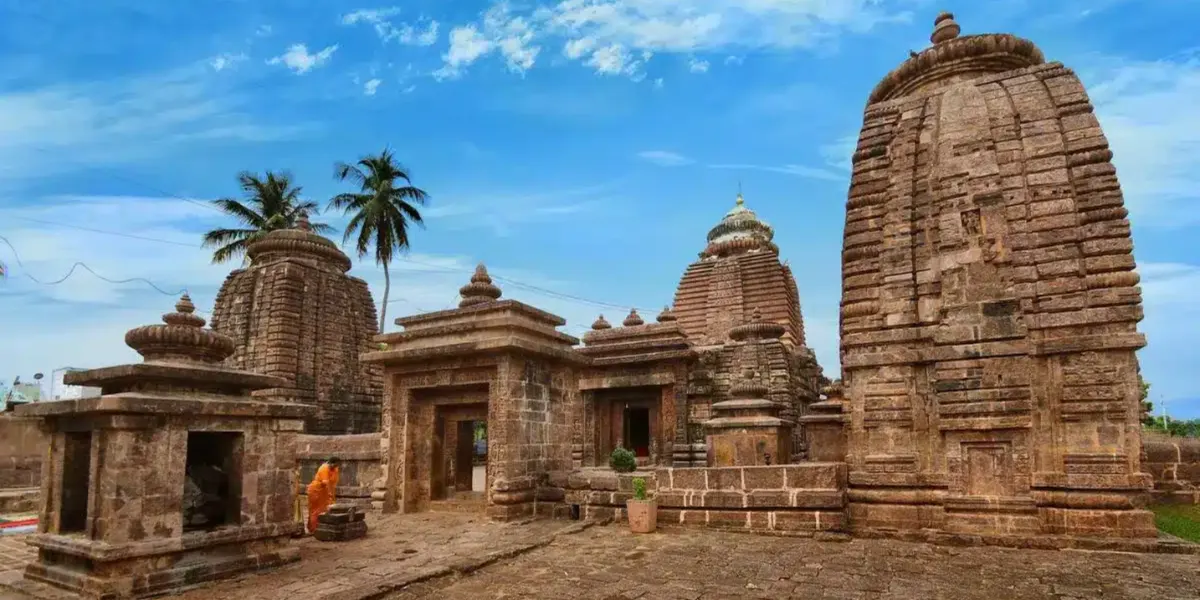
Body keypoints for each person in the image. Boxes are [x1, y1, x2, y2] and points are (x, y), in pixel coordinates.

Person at [306, 457, 341, 534]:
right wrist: (330, 494)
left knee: (326, 509)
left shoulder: (335, 469)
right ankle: (313, 529)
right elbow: (326, 483)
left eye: (337, 465)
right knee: (316, 510)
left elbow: (333, 483)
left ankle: (322, 528)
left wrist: (332, 495)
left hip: (325, 491)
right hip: (316, 490)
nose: (336, 466)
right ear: (330, 463)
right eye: (335, 465)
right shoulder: (324, 469)